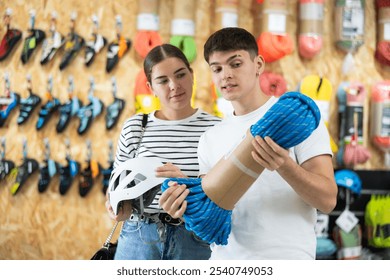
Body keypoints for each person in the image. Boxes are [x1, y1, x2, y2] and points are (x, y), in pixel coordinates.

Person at [160, 27, 338, 260]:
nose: (226, 75)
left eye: (236, 64)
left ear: (259, 65)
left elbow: (327, 201)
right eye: (217, 69)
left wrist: (285, 165)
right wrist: (184, 207)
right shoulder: (209, 138)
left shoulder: (294, 118)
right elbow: (213, 212)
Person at [105, 43, 221, 260]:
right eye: (163, 80)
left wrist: (189, 187)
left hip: (195, 240)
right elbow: (118, 187)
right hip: (138, 238)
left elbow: (224, 197)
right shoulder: (135, 127)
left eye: (180, 75)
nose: (174, 85)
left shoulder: (217, 129)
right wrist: (117, 208)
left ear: (192, 75)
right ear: (151, 87)